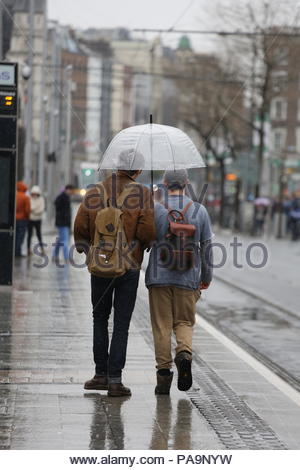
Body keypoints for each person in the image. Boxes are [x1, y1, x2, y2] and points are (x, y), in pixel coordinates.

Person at [74, 150, 155, 397]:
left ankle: (99, 374)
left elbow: (80, 226)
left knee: (100, 317)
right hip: (128, 267)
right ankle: (115, 380)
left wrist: (88, 249)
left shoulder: (95, 191)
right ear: (138, 171)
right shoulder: (143, 193)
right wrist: (143, 243)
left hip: (100, 265)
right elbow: (147, 231)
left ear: (116, 166)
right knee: (121, 323)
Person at [145, 169, 213, 395]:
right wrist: (205, 278)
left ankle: (163, 377)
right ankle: (184, 352)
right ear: (186, 183)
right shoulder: (199, 210)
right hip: (188, 277)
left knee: (161, 326)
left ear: (164, 183)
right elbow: (207, 249)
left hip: (158, 278)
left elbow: (143, 240)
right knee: (184, 322)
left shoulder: (155, 209)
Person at [52, 184, 74, 263]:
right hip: (63, 223)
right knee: (65, 241)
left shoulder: (66, 197)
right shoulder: (62, 197)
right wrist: (63, 215)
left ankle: (54, 255)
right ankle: (66, 258)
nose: (71, 192)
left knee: (60, 240)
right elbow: (57, 205)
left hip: (64, 223)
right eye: (71, 191)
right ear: (67, 189)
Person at [27, 185, 45, 255]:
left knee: (38, 234)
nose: (34, 195)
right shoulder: (29, 199)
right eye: (33, 193)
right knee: (29, 234)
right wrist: (34, 209)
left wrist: (33, 210)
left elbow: (41, 210)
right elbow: (29, 208)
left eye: (35, 193)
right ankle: (28, 249)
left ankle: (42, 248)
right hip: (30, 219)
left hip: (38, 219)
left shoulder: (41, 199)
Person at [15, 181, 31, 257]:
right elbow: (27, 210)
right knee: (20, 236)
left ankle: (14, 250)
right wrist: (28, 217)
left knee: (15, 235)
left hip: (14, 219)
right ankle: (18, 252)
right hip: (22, 219)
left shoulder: (14, 195)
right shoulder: (25, 197)